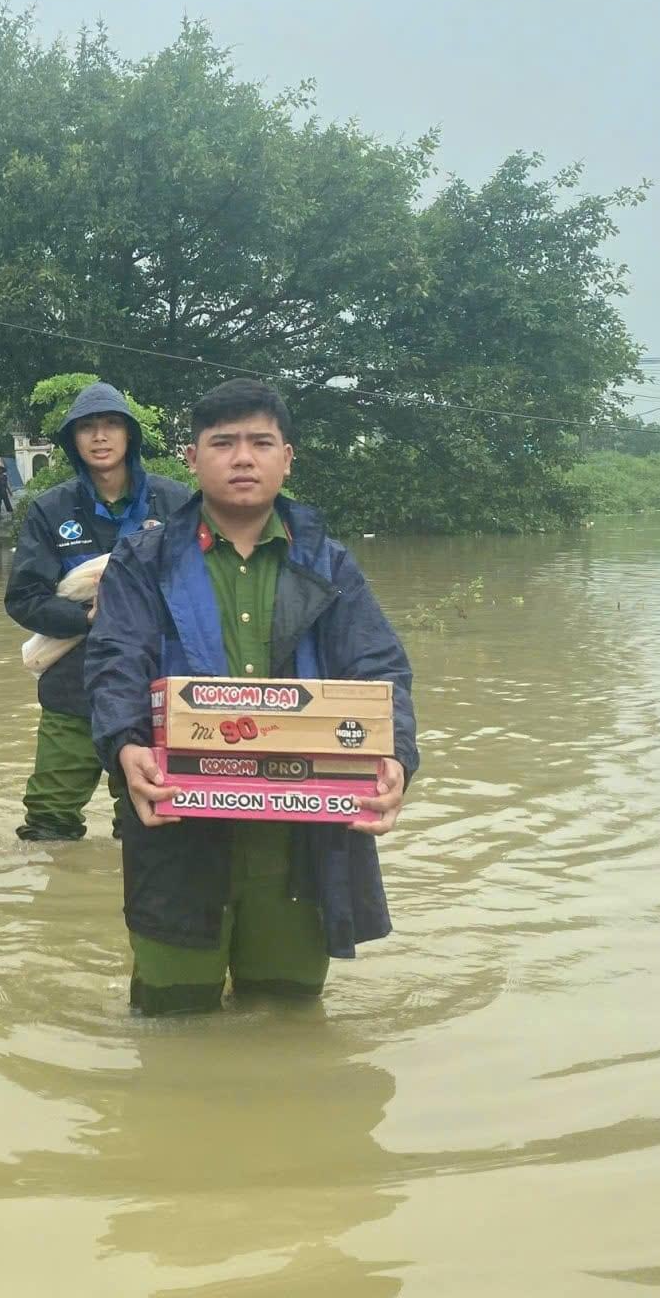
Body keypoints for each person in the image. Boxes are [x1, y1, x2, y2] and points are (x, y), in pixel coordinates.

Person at [85, 379, 418, 1016]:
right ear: (192, 458)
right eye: (224, 443)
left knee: (289, 1015)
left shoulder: (328, 563)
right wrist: (126, 744)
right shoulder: (144, 560)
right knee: (171, 1017)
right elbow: (114, 662)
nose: (243, 458)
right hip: (177, 822)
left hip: (302, 835)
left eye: (261, 443)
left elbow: (381, 670)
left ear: (286, 458)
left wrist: (397, 756)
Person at [5, 381, 185, 840]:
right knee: (49, 823)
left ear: (130, 436)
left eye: (110, 425)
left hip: (156, 690)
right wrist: (89, 616)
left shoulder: (178, 503)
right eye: (87, 428)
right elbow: (23, 598)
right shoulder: (50, 509)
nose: (100, 437)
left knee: (152, 819)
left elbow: (206, 592)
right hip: (73, 687)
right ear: (72, 440)